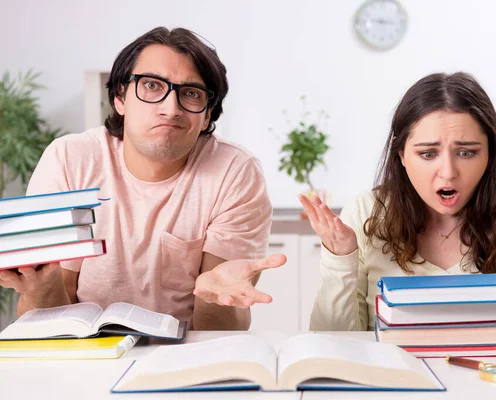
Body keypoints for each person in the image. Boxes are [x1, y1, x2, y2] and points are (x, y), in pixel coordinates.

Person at [0, 27, 285, 330]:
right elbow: (45, 315)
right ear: (120, 98)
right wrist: (42, 287)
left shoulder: (235, 172)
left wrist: (212, 298)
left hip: (184, 357)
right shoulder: (70, 159)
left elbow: (217, 333)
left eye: (190, 93)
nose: (170, 109)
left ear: (206, 115)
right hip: (84, 353)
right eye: (151, 86)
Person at [300, 72, 496, 332]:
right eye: (428, 154)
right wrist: (340, 258)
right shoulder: (367, 213)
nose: (448, 172)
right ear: (401, 155)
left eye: (467, 152)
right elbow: (333, 342)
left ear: (490, 154)